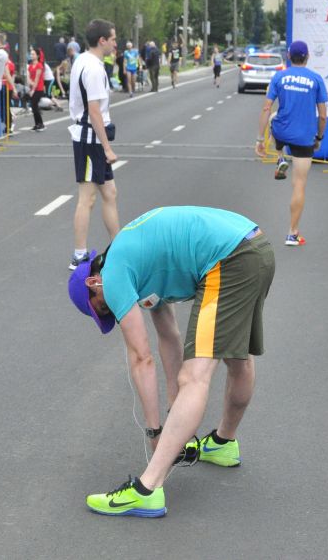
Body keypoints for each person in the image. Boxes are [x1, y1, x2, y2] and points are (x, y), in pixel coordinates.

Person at [70, 206, 275, 518]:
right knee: (237, 356)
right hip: (255, 248)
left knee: (195, 375)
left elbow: (142, 358)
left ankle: (147, 489)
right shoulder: (139, 263)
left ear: (92, 283)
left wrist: (155, 432)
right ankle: (222, 443)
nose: (108, 310)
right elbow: (168, 337)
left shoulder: (112, 275)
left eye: (101, 308)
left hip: (230, 258)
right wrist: (173, 407)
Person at [255, 41, 328, 246]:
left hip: (282, 131)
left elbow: (266, 108)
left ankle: (279, 157)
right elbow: (322, 116)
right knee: (299, 185)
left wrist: (260, 140)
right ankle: (292, 233)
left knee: (273, 119)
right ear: (307, 57)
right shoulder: (316, 79)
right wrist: (319, 138)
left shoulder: (279, 76)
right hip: (305, 137)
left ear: (288, 55)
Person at [68, 19, 121, 271]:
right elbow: (94, 111)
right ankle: (78, 255)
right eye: (112, 39)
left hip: (91, 136)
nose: (115, 43)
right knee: (87, 198)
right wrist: (107, 146)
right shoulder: (94, 68)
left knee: (109, 193)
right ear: (102, 41)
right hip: (90, 138)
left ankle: (119, 248)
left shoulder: (83, 60)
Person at [27, 46, 46, 132]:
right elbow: (28, 78)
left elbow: (37, 79)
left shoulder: (39, 65)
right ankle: (37, 124)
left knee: (34, 106)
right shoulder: (30, 66)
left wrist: (33, 89)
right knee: (34, 106)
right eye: (31, 54)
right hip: (32, 87)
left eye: (33, 54)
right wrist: (30, 85)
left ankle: (41, 124)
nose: (31, 55)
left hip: (38, 89)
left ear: (37, 56)